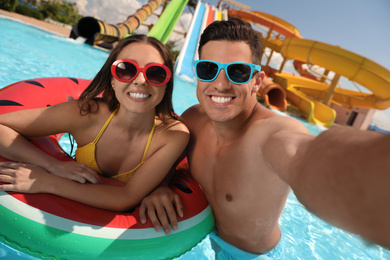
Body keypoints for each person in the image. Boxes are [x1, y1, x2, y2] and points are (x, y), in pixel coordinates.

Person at [138, 18, 390, 258]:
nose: (221, 84)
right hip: (203, 237)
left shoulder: (273, 134)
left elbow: (306, 158)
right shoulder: (192, 119)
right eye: (208, 69)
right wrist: (160, 187)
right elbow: (164, 158)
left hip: (252, 256)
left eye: (238, 72)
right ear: (197, 73)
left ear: (257, 81)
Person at [0, 35, 189, 212]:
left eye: (155, 73)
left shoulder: (172, 135)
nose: (140, 81)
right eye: (126, 69)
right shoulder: (86, 115)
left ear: (166, 84)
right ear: (112, 81)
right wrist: (53, 166)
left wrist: (47, 182)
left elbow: (126, 197)